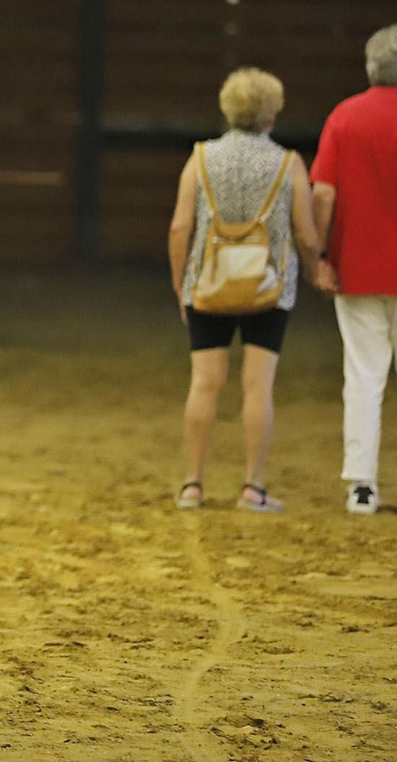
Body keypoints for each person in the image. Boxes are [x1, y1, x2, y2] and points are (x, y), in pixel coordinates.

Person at [167, 68, 322, 514]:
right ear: (271, 114)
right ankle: (253, 487)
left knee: (204, 382)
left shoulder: (200, 158)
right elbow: (305, 233)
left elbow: (180, 227)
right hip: (268, 287)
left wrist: (181, 283)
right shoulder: (288, 163)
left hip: (208, 283)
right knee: (258, 386)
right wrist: (316, 269)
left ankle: (193, 484)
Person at [310, 25, 397, 515]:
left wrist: (320, 255)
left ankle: (362, 485)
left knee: (364, 376)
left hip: (357, 270)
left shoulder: (345, 117)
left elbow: (323, 193)